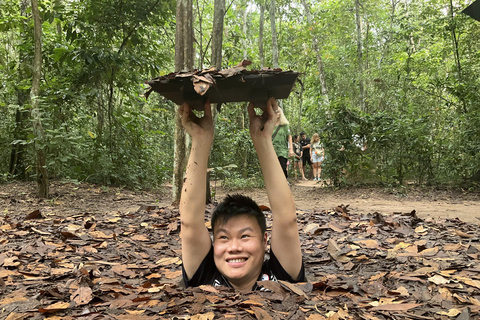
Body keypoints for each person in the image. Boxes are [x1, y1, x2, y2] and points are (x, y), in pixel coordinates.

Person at [179, 98, 305, 291]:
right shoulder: (205, 276)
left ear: (264, 241)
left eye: (245, 236)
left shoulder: (280, 276)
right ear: (213, 244)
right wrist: (200, 139)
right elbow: (189, 223)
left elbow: (287, 220)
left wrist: (262, 140)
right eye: (223, 238)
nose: (234, 247)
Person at [272, 107, 294, 179]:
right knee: (274, 169)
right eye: (275, 112)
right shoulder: (270, 125)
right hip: (272, 149)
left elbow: (289, 137)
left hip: (282, 149)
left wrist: (291, 149)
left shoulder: (285, 125)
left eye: (278, 112)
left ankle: (284, 181)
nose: (277, 113)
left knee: (283, 167)